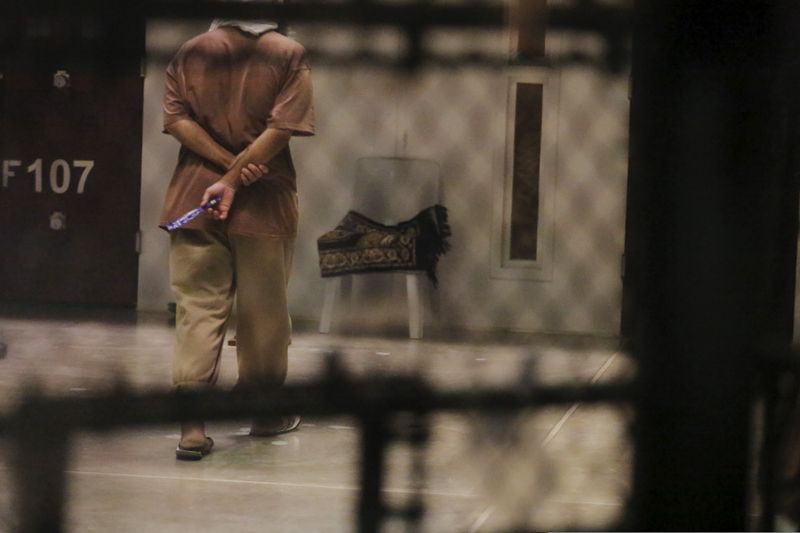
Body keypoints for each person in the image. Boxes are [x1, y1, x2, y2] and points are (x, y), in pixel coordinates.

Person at [160, 18, 315, 460]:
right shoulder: (288, 54)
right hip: (264, 199)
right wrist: (238, 172)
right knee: (264, 314)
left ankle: (192, 427)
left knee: (197, 309)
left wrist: (223, 169)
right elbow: (282, 128)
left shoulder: (191, 49)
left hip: (195, 199)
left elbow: (176, 121)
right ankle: (264, 415)